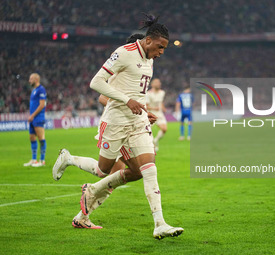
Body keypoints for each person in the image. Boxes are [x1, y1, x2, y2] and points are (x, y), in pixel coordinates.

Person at [53, 15, 183, 239]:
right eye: (160, 47)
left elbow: (136, 94)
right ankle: (72, 162)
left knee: (148, 168)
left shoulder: (149, 60)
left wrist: (143, 110)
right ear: (149, 40)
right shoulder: (124, 52)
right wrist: (126, 101)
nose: (162, 52)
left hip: (137, 122)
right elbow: (96, 83)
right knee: (105, 170)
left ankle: (159, 223)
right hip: (115, 122)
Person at [24, 73, 47, 167]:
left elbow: (42, 105)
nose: (29, 80)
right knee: (32, 138)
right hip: (33, 118)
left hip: (38, 118)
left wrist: (32, 115)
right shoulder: (34, 90)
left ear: (36, 79)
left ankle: (42, 160)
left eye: (31, 79)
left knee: (41, 138)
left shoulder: (41, 89)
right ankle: (34, 160)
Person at [146, 78, 167, 151]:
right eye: (156, 82)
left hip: (160, 113)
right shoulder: (148, 94)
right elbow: (146, 105)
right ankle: (150, 145)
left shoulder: (162, 92)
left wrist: (163, 108)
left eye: (159, 82)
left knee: (164, 129)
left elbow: (161, 102)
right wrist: (154, 108)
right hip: (151, 113)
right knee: (148, 132)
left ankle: (155, 141)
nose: (159, 83)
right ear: (152, 84)